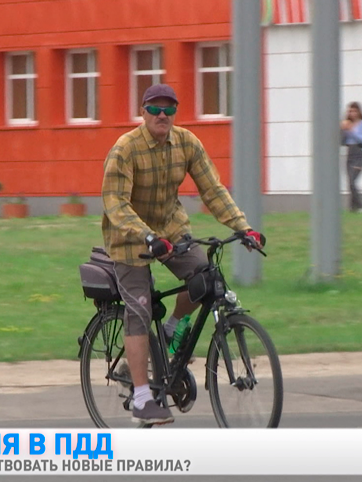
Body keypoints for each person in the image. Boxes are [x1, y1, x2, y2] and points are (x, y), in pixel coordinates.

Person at [102, 84, 265, 425]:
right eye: (155, 109)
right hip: (130, 238)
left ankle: (171, 329)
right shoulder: (125, 149)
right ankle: (143, 399)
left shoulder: (187, 143)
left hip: (171, 229)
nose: (163, 116)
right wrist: (146, 235)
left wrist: (243, 227)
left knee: (206, 278)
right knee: (140, 309)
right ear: (143, 112)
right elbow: (115, 204)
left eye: (169, 110)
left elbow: (213, 189)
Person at [341, 102, 362, 213]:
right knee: (349, 181)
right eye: (350, 111)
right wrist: (343, 130)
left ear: (359, 112)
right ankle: (353, 207)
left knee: (353, 181)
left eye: (354, 111)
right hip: (350, 152)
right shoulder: (347, 124)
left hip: (358, 153)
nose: (352, 113)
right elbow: (342, 142)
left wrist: (351, 131)